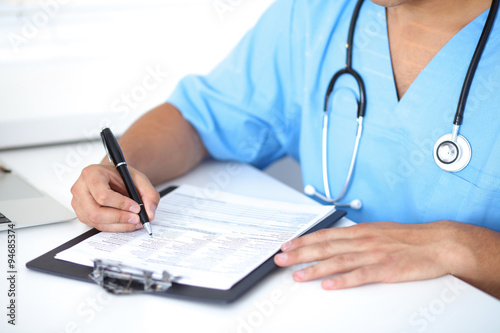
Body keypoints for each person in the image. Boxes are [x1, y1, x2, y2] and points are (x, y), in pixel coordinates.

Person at [70, 0, 500, 298]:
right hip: (318, 300)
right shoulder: (316, 15)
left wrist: (461, 247)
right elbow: (199, 119)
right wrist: (118, 169)